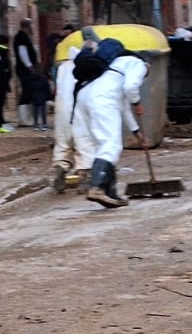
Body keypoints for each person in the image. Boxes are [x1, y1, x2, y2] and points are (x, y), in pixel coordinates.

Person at [72, 36, 147, 208]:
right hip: (102, 99)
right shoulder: (139, 64)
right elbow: (131, 88)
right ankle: (97, 187)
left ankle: (110, 193)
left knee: (103, 145)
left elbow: (123, 107)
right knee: (110, 145)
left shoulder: (112, 66)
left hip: (85, 96)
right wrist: (137, 102)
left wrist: (137, 133)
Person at [51, 29, 99, 194]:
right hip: (79, 109)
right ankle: (84, 175)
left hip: (62, 108)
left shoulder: (63, 66)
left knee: (63, 142)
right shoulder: (89, 65)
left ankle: (60, 168)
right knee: (84, 141)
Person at [23, 65, 51, 131]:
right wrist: (48, 97)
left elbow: (28, 90)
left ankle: (36, 125)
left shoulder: (30, 80)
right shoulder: (44, 79)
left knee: (35, 112)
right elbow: (47, 89)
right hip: (42, 97)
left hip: (34, 98)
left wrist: (29, 98)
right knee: (43, 112)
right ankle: (44, 125)